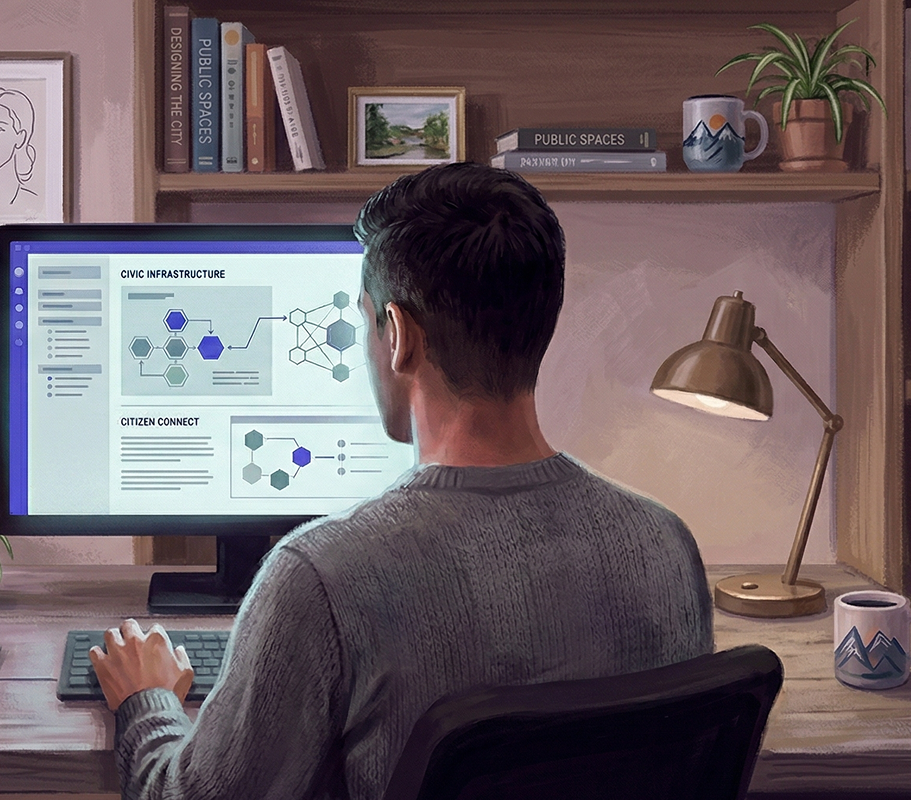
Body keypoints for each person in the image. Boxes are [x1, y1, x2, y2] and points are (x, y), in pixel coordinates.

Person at [90, 162, 715, 800]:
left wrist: (147, 700)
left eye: (366, 322)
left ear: (400, 337)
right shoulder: (665, 545)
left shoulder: (319, 578)